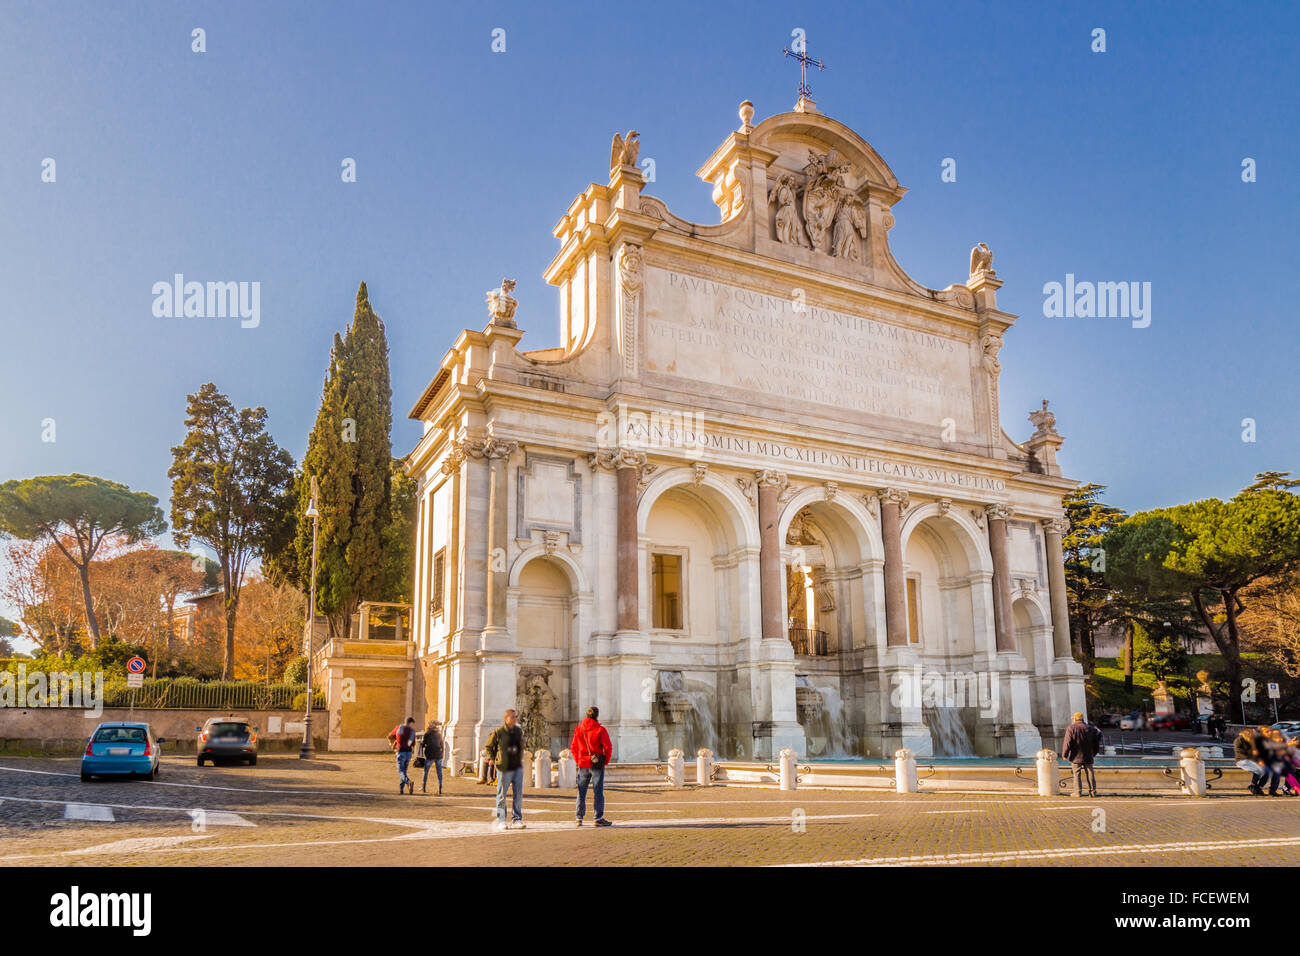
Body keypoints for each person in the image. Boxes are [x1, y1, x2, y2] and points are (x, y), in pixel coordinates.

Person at [570, 705, 614, 827]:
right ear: (597, 716)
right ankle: (598, 818)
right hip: (596, 764)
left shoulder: (579, 729)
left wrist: (578, 760)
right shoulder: (600, 729)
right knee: (598, 791)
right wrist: (605, 761)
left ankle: (579, 817)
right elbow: (608, 747)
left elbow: (573, 747)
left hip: (583, 763)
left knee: (581, 791)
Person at [485, 709, 526, 829]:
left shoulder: (519, 731)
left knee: (518, 794)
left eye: (516, 716)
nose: (515, 718)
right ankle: (501, 819)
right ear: (506, 718)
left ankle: (517, 819)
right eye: (513, 716)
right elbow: (489, 746)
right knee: (502, 794)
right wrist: (496, 760)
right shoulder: (498, 732)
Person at [1061, 711, 1101, 797]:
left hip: (1076, 755)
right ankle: (1093, 792)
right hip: (1088, 755)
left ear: (1075, 719)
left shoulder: (1071, 728)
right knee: (1090, 773)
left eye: (1073, 719)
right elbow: (1096, 744)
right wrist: (1093, 753)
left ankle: (1077, 792)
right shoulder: (1091, 729)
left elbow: (1067, 742)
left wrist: (1065, 754)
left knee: (1076, 774)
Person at [1233, 725, 1276, 795]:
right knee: (1258, 770)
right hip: (1242, 760)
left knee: (1268, 771)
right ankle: (1253, 785)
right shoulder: (1238, 740)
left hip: (1252, 760)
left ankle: (1259, 787)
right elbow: (1239, 753)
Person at [388, 717, 418, 795]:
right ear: (410, 723)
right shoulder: (412, 731)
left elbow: (390, 735)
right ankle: (401, 789)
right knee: (404, 771)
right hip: (408, 753)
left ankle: (408, 782)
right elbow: (413, 743)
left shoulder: (399, 728)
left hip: (401, 751)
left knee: (401, 771)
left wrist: (394, 743)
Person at [421, 721, 444, 795]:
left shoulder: (427, 734)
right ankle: (440, 786)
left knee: (426, 771)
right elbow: (442, 744)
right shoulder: (439, 734)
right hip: (438, 754)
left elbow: (424, 744)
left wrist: (423, 745)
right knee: (439, 771)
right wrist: (442, 753)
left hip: (430, 755)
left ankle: (424, 786)